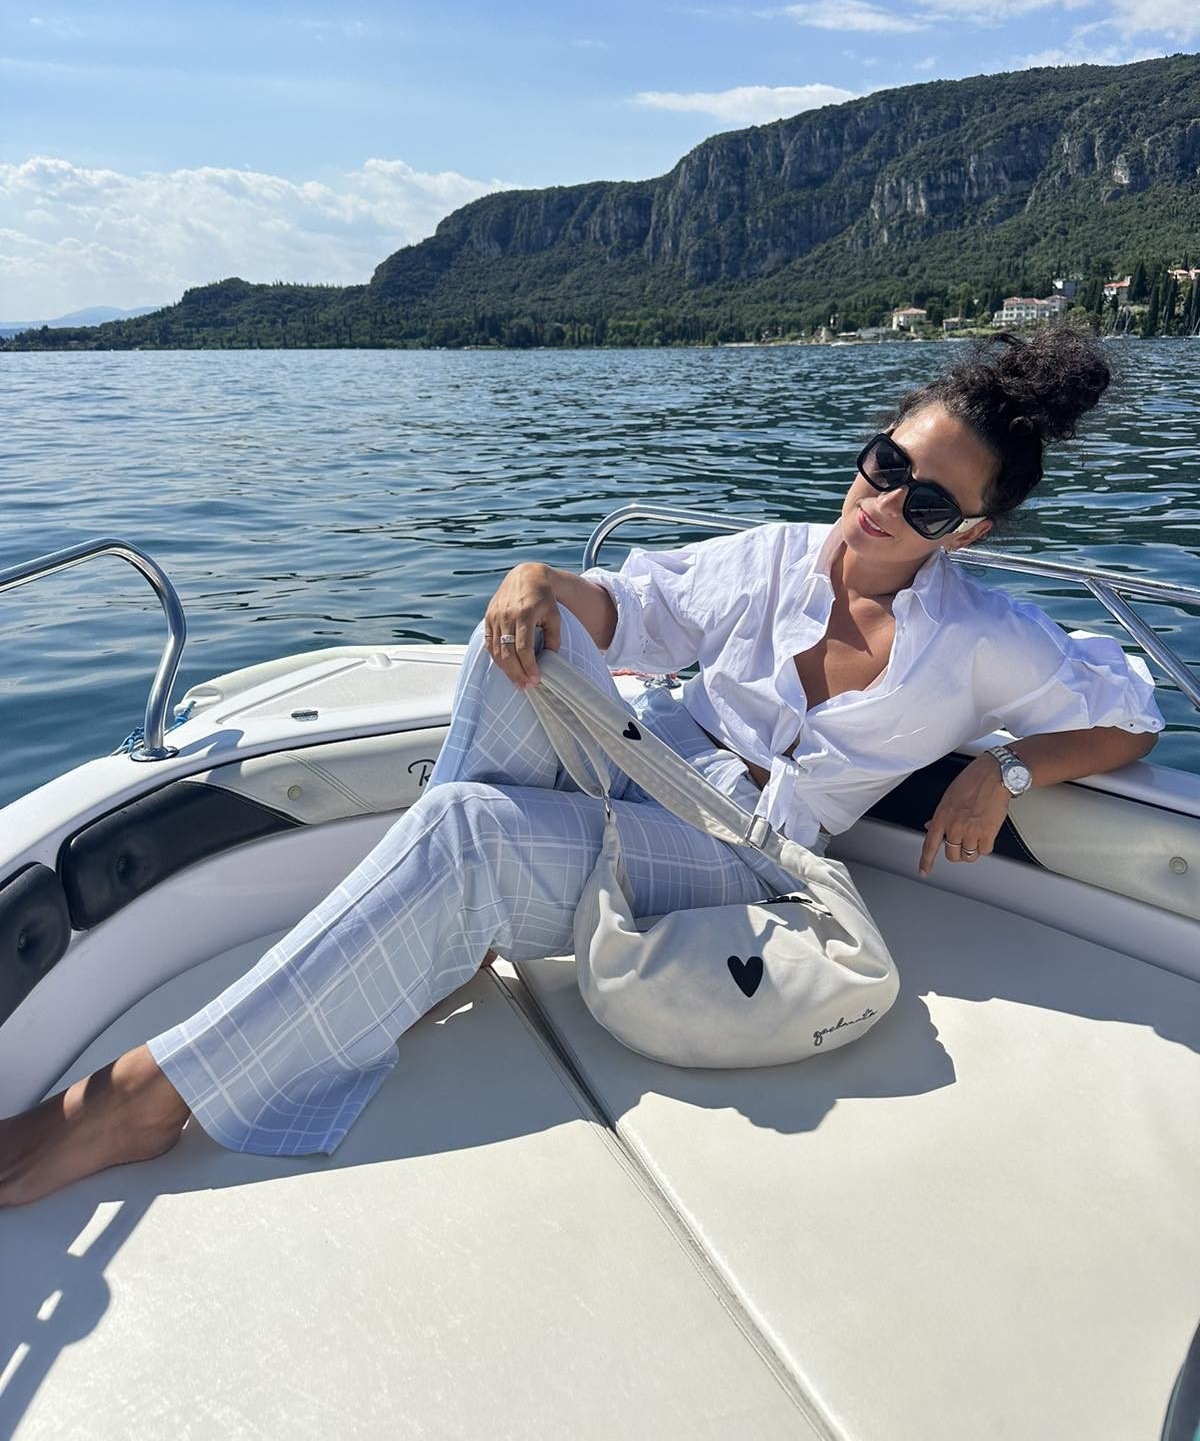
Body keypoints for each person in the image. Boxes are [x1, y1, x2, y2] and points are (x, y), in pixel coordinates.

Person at [0, 327, 1164, 1206]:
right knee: (518, 641)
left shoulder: (980, 638)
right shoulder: (770, 561)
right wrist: (539, 581)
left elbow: (1130, 713)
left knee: (472, 831)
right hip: (653, 776)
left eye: (924, 503)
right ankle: (431, 948)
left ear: (967, 532)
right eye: (880, 463)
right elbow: (627, 607)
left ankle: (147, 1100)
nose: (879, 506)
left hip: (750, 863)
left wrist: (1003, 771)